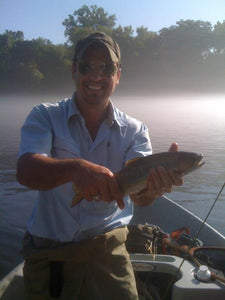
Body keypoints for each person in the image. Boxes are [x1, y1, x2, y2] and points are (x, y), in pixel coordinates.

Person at [17, 32, 183, 300]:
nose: (96, 76)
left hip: (109, 253)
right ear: (73, 70)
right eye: (87, 66)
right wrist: (76, 169)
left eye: (107, 68)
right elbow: (26, 171)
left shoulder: (136, 130)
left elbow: (142, 200)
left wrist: (154, 189)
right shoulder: (45, 116)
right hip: (49, 257)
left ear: (118, 75)